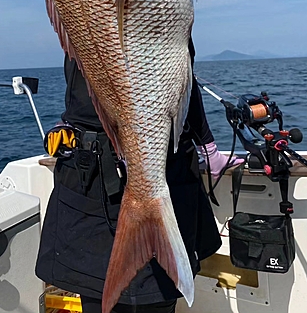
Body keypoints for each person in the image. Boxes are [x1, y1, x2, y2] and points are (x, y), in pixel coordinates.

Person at [35, 39, 241, 313]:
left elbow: (181, 77)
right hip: (99, 179)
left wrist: (207, 145)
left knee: (146, 295)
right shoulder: (87, 5)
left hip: (127, 177)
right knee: (106, 296)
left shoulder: (154, 13)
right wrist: (208, 146)